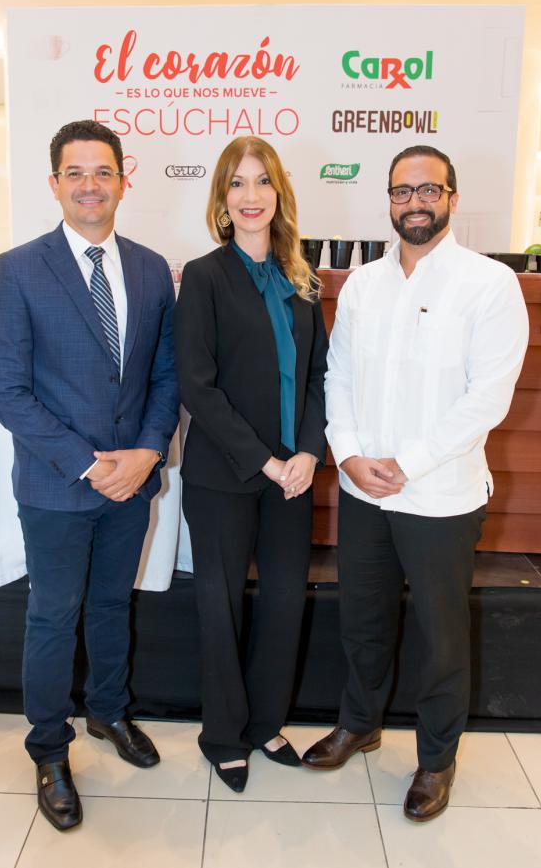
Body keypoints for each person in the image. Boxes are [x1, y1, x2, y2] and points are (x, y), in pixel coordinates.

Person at [302, 145, 529, 821]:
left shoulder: (488, 285)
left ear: (453, 197)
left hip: (442, 494)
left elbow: (487, 397)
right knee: (363, 619)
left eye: (429, 189)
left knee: (440, 633)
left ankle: (435, 758)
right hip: (364, 489)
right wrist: (345, 454)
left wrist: (411, 459)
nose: (415, 202)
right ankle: (360, 722)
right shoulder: (364, 284)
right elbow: (336, 375)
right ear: (389, 200)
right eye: (403, 191)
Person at [0, 120, 179, 831]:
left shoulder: (154, 269)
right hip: (59, 486)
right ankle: (49, 748)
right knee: (54, 615)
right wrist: (90, 464)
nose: (90, 184)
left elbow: (165, 375)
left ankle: (108, 712)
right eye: (75, 172)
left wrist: (149, 452)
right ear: (55, 183)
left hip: (132, 483)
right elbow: (4, 389)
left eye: (103, 171)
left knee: (110, 606)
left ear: (124, 179)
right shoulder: (18, 268)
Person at [174, 136, 327, 793]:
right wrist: (266, 459)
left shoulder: (303, 278)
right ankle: (223, 733)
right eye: (237, 183)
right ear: (222, 198)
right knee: (220, 604)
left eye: (262, 181)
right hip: (224, 475)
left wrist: (310, 452)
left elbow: (322, 376)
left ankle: (267, 722)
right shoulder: (205, 275)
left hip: (293, 476)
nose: (251, 195)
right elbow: (196, 385)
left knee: (287, 601)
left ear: (279, 193)